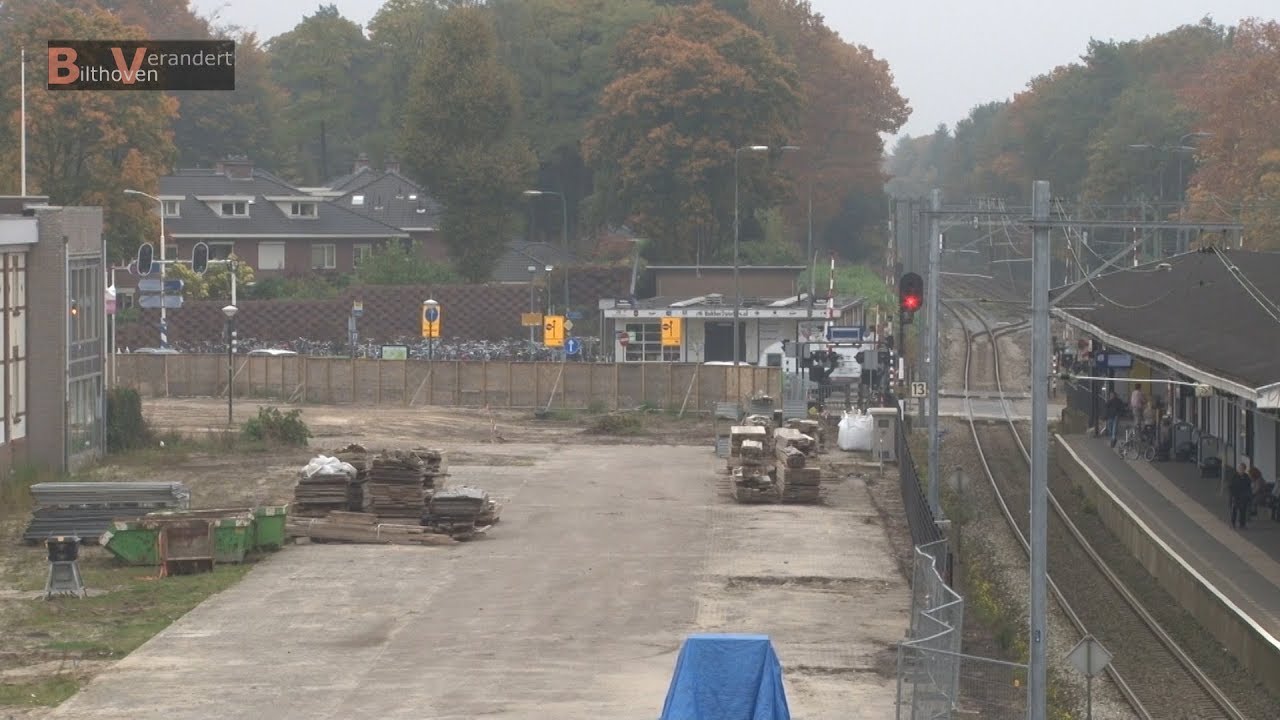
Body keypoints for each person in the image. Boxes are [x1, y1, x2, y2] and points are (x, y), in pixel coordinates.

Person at [1230, 463, 1253, 529]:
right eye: (1240, 468)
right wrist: (1233, 495)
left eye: (1242, 469)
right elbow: (1231, 486)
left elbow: (1248, 487)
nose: (1241, 470)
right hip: (1236, 496)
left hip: (1243, 497)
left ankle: (1242, 524)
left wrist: (1248, 496)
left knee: (1243, 511)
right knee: (1234, 510)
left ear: (1244, 469)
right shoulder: (1234, 476)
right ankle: (1233, 523)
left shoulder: (1246, 477)